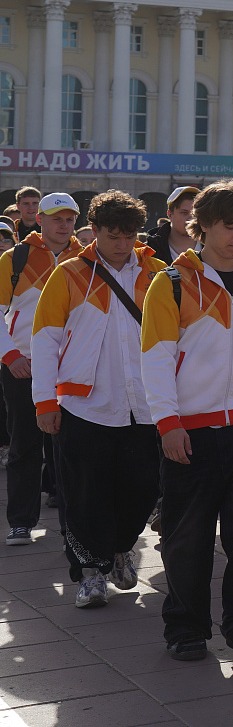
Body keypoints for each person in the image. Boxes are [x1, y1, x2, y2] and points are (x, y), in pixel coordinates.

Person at [140, 180, 233, 662]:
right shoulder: (171, 282)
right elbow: (155, 359)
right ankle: (185, 626)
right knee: (186, 535)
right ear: (203, 225)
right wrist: (167, 423)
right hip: (190, 432)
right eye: (228, 226)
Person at [32, 191, 167, 608]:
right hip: (83, 405)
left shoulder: (158, 273)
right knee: (86, 491)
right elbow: (44, 339)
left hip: (144, 406)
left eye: (130, 236)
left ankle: (122, 547)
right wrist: (44, 402)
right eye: (113, 236)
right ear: (94, 231)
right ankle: (90, 572)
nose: (123, 245)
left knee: (141, 489)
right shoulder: (71, 273)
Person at [1, 194, 82, 548]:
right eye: (56, 218)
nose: (63, 225)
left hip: (71, 370)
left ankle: (72, 525)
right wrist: (11, 356)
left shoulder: (86, 259)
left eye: (69, 219)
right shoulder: (14, 258)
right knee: (25, 445)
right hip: (23, 367)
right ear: (40, 220)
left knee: (68, 449)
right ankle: (21, 522)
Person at [146, 186, 201, 264]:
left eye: (195, 213)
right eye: (184, 213)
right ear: (170, 215)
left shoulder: (213, 247)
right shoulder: (150, 250)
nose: (191, 219)